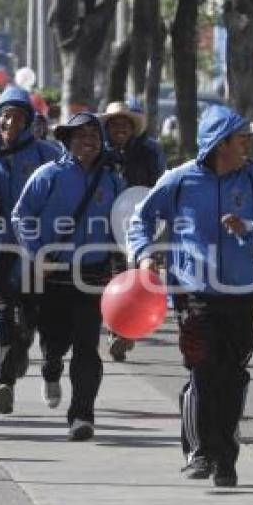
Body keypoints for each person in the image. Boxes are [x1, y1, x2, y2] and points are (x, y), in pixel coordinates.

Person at [127, 104, 253, 486]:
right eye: (241, 138)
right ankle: (200, 452)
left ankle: (225, 456)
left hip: (243, 294)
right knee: (202, 369)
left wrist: (246, 226)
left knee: (231, 377)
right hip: (193, 292)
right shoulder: (180, 179)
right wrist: (145, 256)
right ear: (220, 143)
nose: (247, 144)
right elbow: (140, 219)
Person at [12, 112, 123, 441]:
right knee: (54, 341)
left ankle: (82, 414)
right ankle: (50, 368)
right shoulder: (48, 175)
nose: (86, 140)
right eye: (78, 134)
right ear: (66, 140)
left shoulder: (113, 180)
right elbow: (21, 215)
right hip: (52, 275)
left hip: (93, 276)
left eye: (93, 134)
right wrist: (37, 252)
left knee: (87, 347)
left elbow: (126, 222)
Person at [0, 86, 62, 415]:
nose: (11, 122)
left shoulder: (46, 155)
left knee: (29, 319)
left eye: (19, 117)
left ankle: (17, 358)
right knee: (1, 314)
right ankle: (1, 380)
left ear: (28, 122)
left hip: (34, 250)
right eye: (6, 115)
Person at [100, 100, 167, 362]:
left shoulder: (149, 153)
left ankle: (123, 331)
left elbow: (159, 186)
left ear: (132, 128)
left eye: (125, 124)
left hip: (139, 223)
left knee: (135, 276)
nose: (120, 128)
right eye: (114, 123)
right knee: (113, 277)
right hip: (105, 225)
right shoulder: (100, 154)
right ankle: (116, 328)